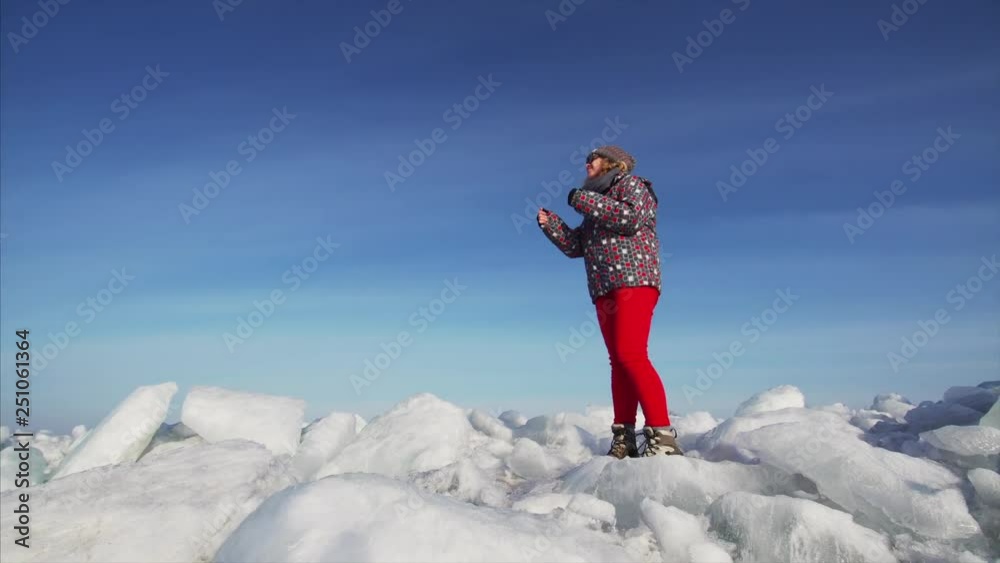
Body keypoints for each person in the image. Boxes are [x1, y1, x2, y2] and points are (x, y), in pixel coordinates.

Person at [537, 145, 682, 458]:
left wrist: (581, 199)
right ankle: (624, 436)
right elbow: (578, 246)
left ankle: (663, 437)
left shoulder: (632, 185)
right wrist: (553, 226)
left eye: (593, 157)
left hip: (634, 279)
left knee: (632, 355)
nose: (587, 162)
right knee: (619, 362)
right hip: (604, 286)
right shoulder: (595, 206)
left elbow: (629, 218)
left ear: (613, 163)